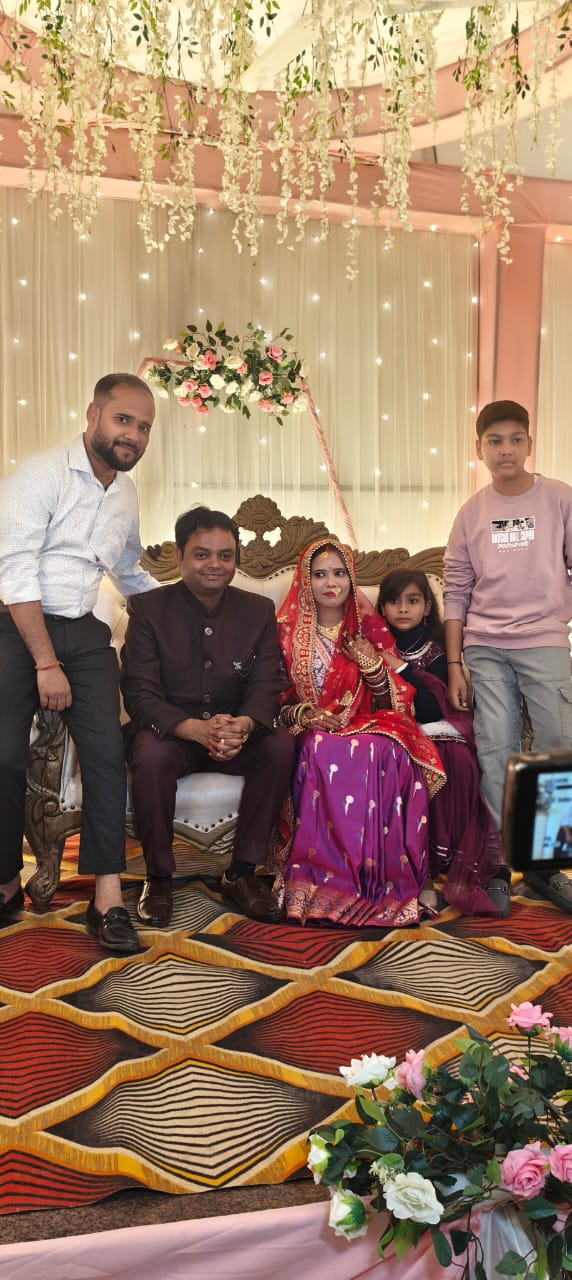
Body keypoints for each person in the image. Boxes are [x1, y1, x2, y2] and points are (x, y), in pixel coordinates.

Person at [0, 372, 157, 951]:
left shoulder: (126, 494)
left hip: (84, 631)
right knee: (3, 754)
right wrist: (45, 663)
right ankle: (5, 881)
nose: (133, 434)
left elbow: (129, 571)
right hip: (16, 625)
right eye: (123, 420)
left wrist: (184, 612)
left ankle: (106, 899)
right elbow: (14, 570)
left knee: (108, 754)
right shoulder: (39, 474)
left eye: (144, 427)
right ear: (93, 415)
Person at [120, 506, 295, 927]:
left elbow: (267, 682)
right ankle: (159, 877)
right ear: (180, 556)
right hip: (171, 733)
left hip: (235, 732)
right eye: (202, 554)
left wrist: (245, 724)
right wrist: (193, 729)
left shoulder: (257, 610)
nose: (214, 564)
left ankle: (241, 873)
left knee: (280, 746)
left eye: (225, 555)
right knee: (150, 755)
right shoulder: (147, 608)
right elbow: (139, 690)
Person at [269, 538, 446, 927]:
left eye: (339, 573)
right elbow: (268, 699)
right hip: (311, 728)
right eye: (320, 575)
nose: (331, 583)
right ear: (305, 581)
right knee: (321, 748)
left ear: (351, 579)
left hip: (365, 724)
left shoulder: (370, 629)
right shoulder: (283, 633)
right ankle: (324, 882)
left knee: (389, 750)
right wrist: (305, 714)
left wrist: (371, 664)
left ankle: (389, 881)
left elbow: (392, 702)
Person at [444, 398, 572, 913]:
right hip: (486, 648)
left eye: (515, 439)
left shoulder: (559, 498)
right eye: (494, 441)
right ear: (479, 449)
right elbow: (455, 591)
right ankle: (499, 863)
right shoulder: (471, 513)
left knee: (558, 747)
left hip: (545, 640)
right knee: (496, 750)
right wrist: (455, 664)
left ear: (529, 444)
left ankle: (545, 866)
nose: (506, 449)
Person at [377, 569, 508, 916]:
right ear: (382, 607)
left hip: (438, 726)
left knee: (457, 759)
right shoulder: (375, 644)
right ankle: (412, 865)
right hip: (391, 727)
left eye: (413, 600)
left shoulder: (438, 649)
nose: (402, 609)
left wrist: (401, 669)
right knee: (400, 760)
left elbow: (432, 706)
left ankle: (446, 858)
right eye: (394, 601)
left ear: (427, 606)